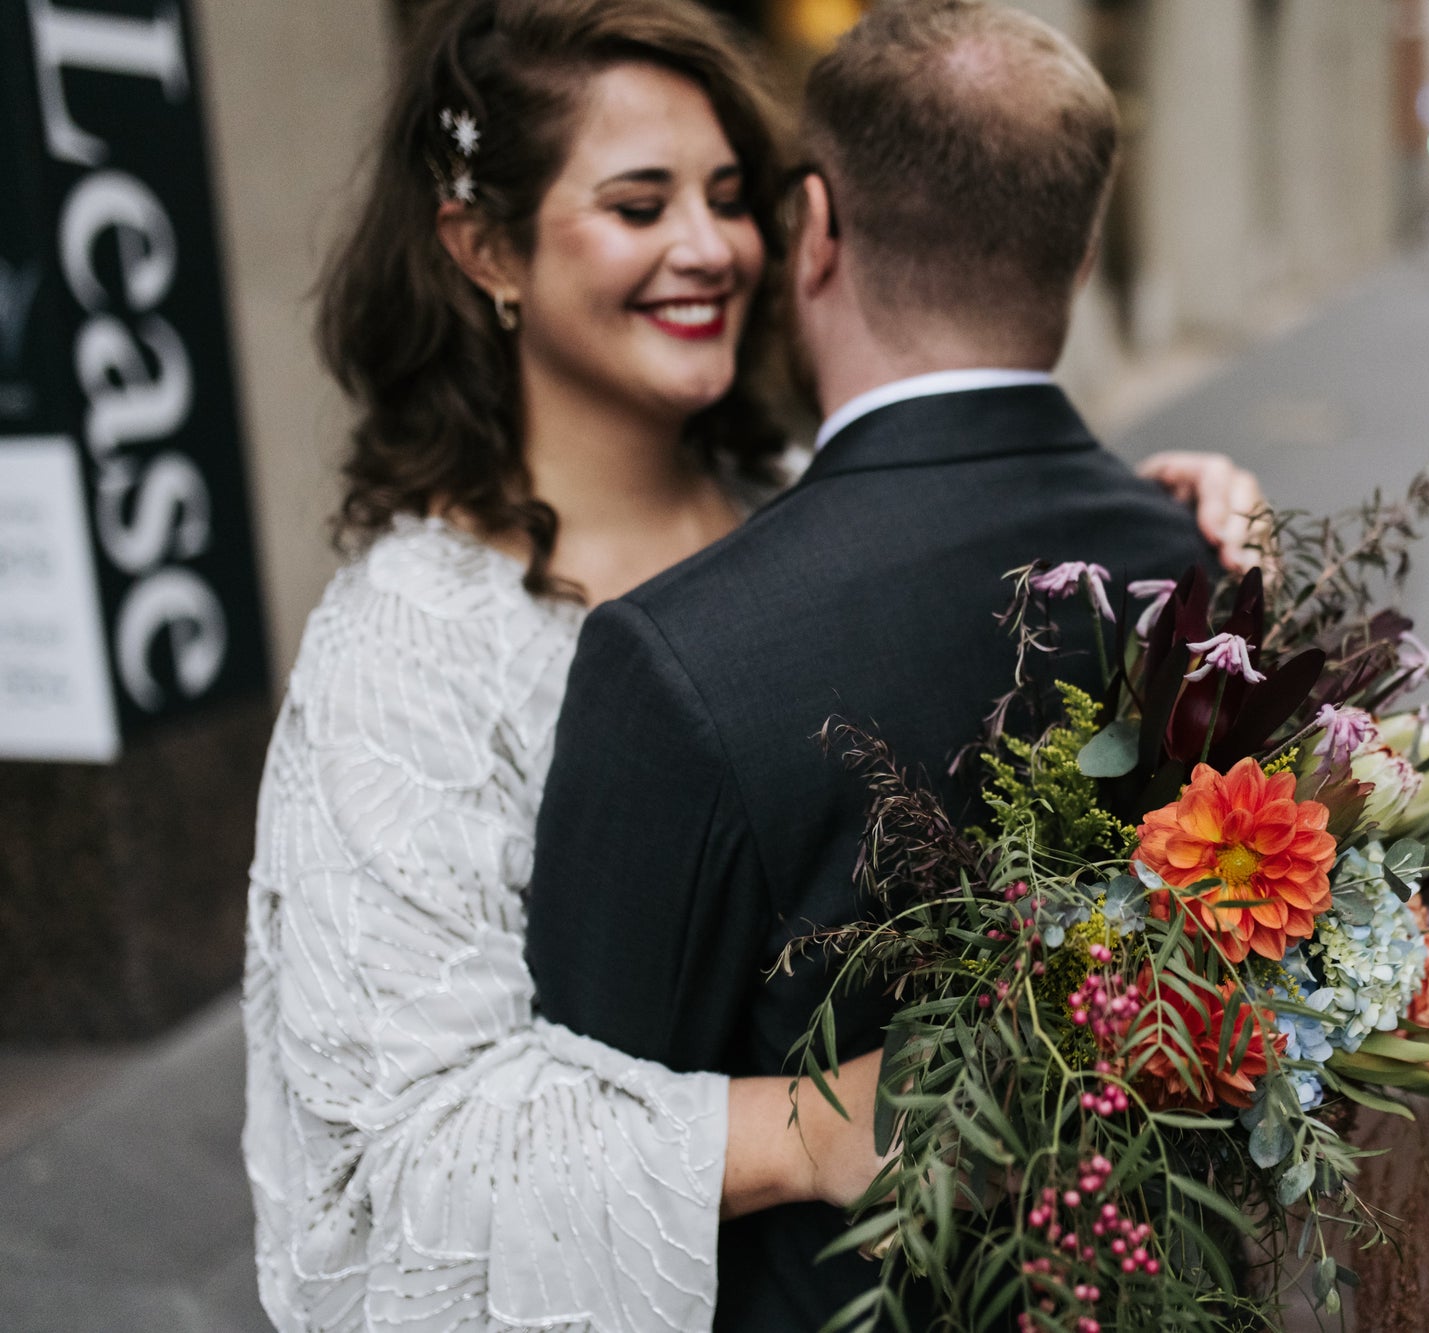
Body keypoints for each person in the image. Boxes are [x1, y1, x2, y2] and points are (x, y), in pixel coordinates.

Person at [242, 1, 1261, 1329]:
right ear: (485, 246)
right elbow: (393, 1157)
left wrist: (1176, 517)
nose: (711, 247)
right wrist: (806, 1127)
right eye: (638, 204)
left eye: (732, 197)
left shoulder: (793, 501)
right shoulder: (410, 640)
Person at [523, 3, 1223, 1328]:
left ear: (817, 229)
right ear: (1078, 261)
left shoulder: (678, 655)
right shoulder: (1208, 566)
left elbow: (586, 1134)